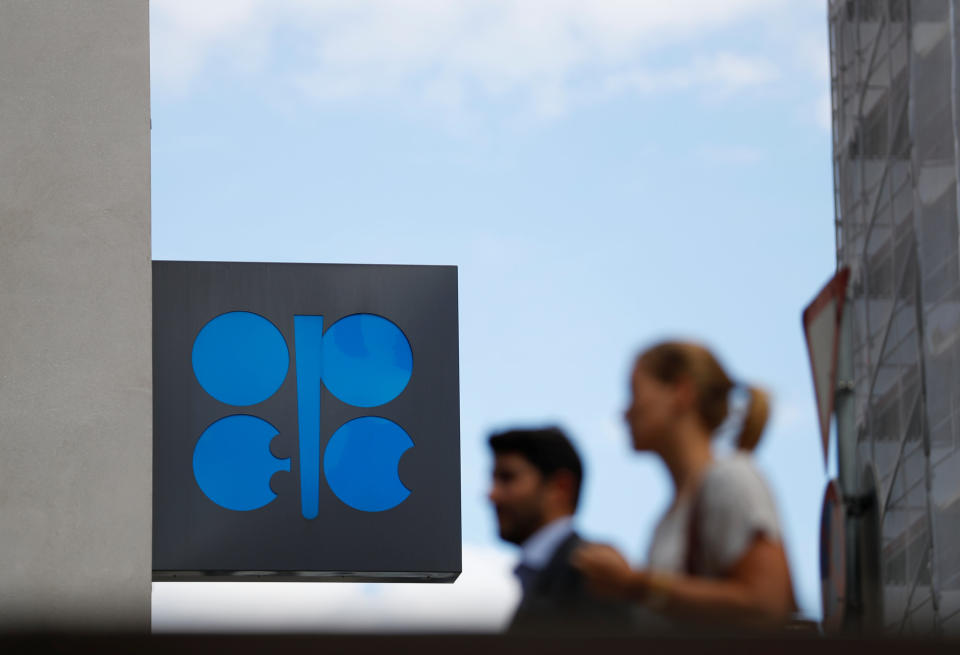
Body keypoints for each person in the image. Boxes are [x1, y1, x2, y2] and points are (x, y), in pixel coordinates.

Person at [572, 341, 795, 630]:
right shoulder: (670, 516)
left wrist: (635, 584)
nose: (625, 413)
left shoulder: (730, 478)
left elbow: (768, 605)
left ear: (680, 392)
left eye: (635, 393)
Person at [488, 427, 633, 633]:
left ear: (560, 487)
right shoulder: (547, 574)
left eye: (507, 478)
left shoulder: (593, 575)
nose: (492, 494)